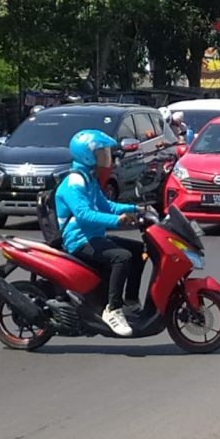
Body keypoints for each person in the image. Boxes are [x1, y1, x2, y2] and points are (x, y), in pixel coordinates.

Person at [56, 130, 143, 336]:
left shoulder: (89, 179)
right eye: (101, 152)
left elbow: (105, 206)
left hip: (94, 236)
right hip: (79, 240)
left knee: (140, 249)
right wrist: (117, 221)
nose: (107, 156)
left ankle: (130, 302)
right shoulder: (75, 182)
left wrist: (135, 209)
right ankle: (112, 309)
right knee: (122, 257)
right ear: (87, 155)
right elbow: (84, 214)